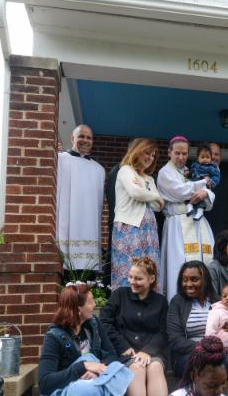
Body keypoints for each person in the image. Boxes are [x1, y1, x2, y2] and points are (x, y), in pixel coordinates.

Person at [101, 256, 169, 396]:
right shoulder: (119, 296)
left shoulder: (161, 302)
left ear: (151, 279)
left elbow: (163, 332)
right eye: (130, 277)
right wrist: (124, 347)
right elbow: (105, 323)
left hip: (153, 352)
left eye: (138, 278)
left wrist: (148, 351)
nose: (132, 282)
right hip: (127, 353)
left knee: (155, 367)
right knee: (137, 369)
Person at [168, 261, 228, 386]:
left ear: (205, 280)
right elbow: (175, 340)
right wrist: (206, 347)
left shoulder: (218, 300)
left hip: (221, 349)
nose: (188, 284)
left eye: (194, 279)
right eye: (184, 280)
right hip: (190, 353)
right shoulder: (177, 302)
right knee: (202, 364)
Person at [158, 135, 215, 300]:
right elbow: (180, 192)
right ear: (169, 152)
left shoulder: (190, 171)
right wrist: (203, 185)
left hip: (197, 222)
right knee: (179, 265)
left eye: (184, 153)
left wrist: (206, 192)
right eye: (177, 153)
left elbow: (210, 198)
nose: (181, 157)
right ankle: (178, 305)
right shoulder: (165, 172)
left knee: (202, 263)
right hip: (177, 225)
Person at [111, 138, 165, 289]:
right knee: (130, 268)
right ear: (137, 151)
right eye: (147, 153)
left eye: (153, 155)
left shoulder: (149, 179)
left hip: (149, 231)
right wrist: (154, 196)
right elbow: (136, 193)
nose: (150, 158)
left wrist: (147, 195)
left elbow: (157, 207)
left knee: (149, 268)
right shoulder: (125, 170)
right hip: (129, 227)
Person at [56, 124, 105, 274]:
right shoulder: (59, 159)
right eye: (81, 136)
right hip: (67, 223)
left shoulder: (99, 169)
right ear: (72, 138)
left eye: (89, 137)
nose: (85, 140)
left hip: (89, 226)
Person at [187, 145, 221, 220]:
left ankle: (200, 211)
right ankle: (189, 207)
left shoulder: (211, 167)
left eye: (207, 157)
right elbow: (191, 173)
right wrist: (187, 174)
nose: (205, 159)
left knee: (200, 198)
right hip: (193, 183)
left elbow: (216, 177)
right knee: (189, 195)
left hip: (203, 184)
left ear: (210, 158)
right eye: (202, 157)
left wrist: (211, 182)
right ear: (198, 158)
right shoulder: (194, 165)